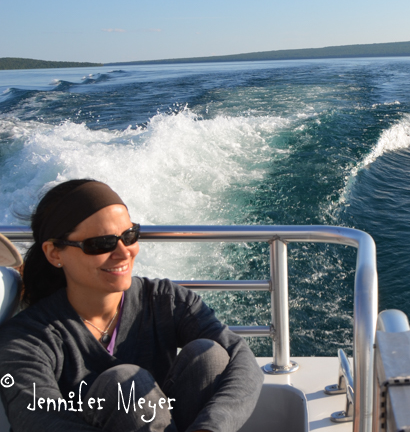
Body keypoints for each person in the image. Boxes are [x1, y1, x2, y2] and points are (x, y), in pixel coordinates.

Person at [0, 179, 263, 432]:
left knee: (211, 356)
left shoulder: (165, 299)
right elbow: (37, 420)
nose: (124, 252)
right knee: (126, 384)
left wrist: (209, 428)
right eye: (101, 244)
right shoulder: (28, 337)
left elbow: (242, 359)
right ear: (55, 253)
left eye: (129, 235)